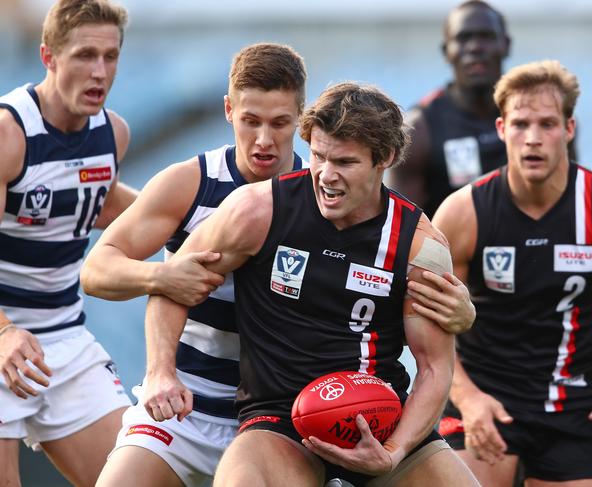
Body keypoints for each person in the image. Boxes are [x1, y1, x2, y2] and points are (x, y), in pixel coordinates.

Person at [81, 44, 474, 486]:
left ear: (383, 161)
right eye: (321, 157)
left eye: (344, 162)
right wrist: (159, 365)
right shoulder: (253, 207)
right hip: (264, 417)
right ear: (230, 112)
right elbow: (146, 281)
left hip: (380, 418)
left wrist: (395, 449)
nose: (326, 174)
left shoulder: (418, 244)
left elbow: (436, 366)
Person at [430, 59, 592, 486]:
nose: (533, 139)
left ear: (569, 130)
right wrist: (467, 397)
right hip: (485, 403)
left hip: (572, 409)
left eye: (547, 124)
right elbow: (422, 319)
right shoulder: (464, 212)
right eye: (521, 124)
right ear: (500, 129)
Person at [0, 1, 137, 486]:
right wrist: (4, 333)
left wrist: (200, 224)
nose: (99, 72)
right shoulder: (9, 133)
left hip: (63, 339)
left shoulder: (112, 133)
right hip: (1, 335)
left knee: (138, 475)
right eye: (84, 55)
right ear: (49, 57)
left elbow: (98, 202)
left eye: (110, 56)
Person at [387, 0, 511, 218]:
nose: (475, 47)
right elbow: (400, 227)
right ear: (446, 51)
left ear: (506, 45)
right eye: (463, 38)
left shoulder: (540, 119)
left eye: (486, 36)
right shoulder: (418, 130)